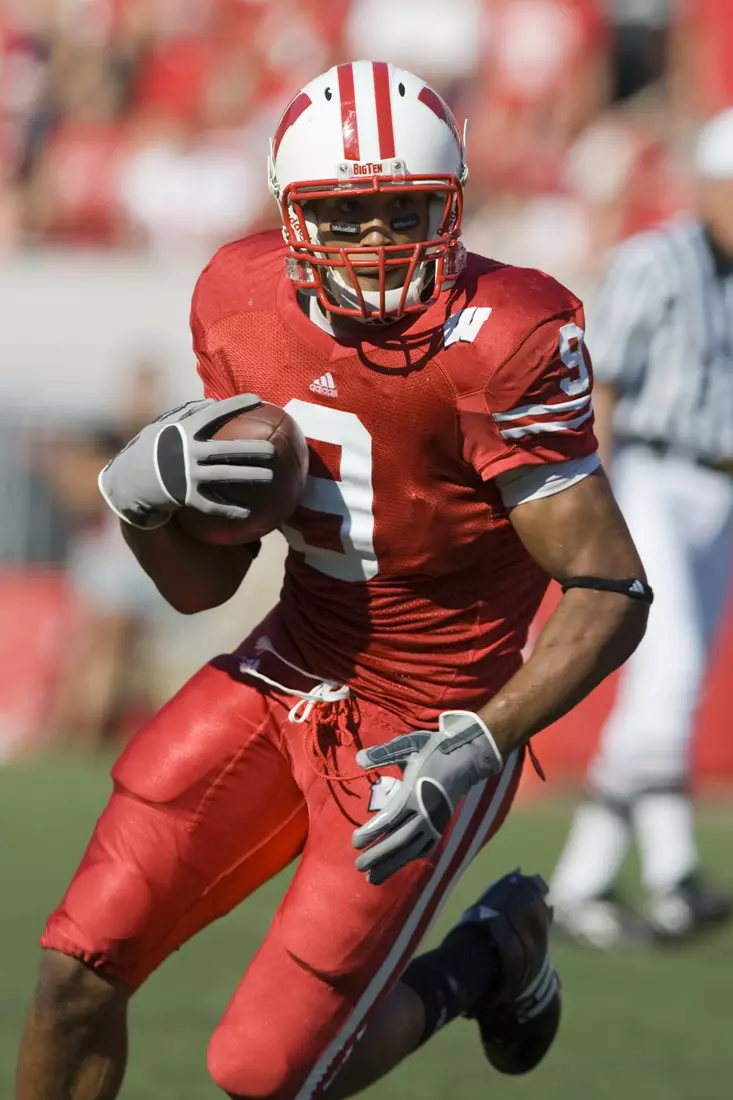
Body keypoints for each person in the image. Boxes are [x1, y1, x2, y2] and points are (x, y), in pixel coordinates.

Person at [15, 61, 650, 1100]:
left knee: (265, 1071)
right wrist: (138, 507)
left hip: (432, 722)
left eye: (404, 208)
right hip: (283, 669)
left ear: (453, 203)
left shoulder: (508, 336)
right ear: (290, 215)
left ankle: (485, 957)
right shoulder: (236, 293)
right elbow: (197, 591)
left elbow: (609, 590)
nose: (378, 241)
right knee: (73, 966)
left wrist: (479, 740)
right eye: (346, 214)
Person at [550, 106, 733, 948]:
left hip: (719, 490)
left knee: (664, 685)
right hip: (652, 476)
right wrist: (602, 507)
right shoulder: (654, 261)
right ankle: (670, 873)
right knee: (676, 665)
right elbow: (606, 389)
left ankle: (591, 883)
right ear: (709, 188)